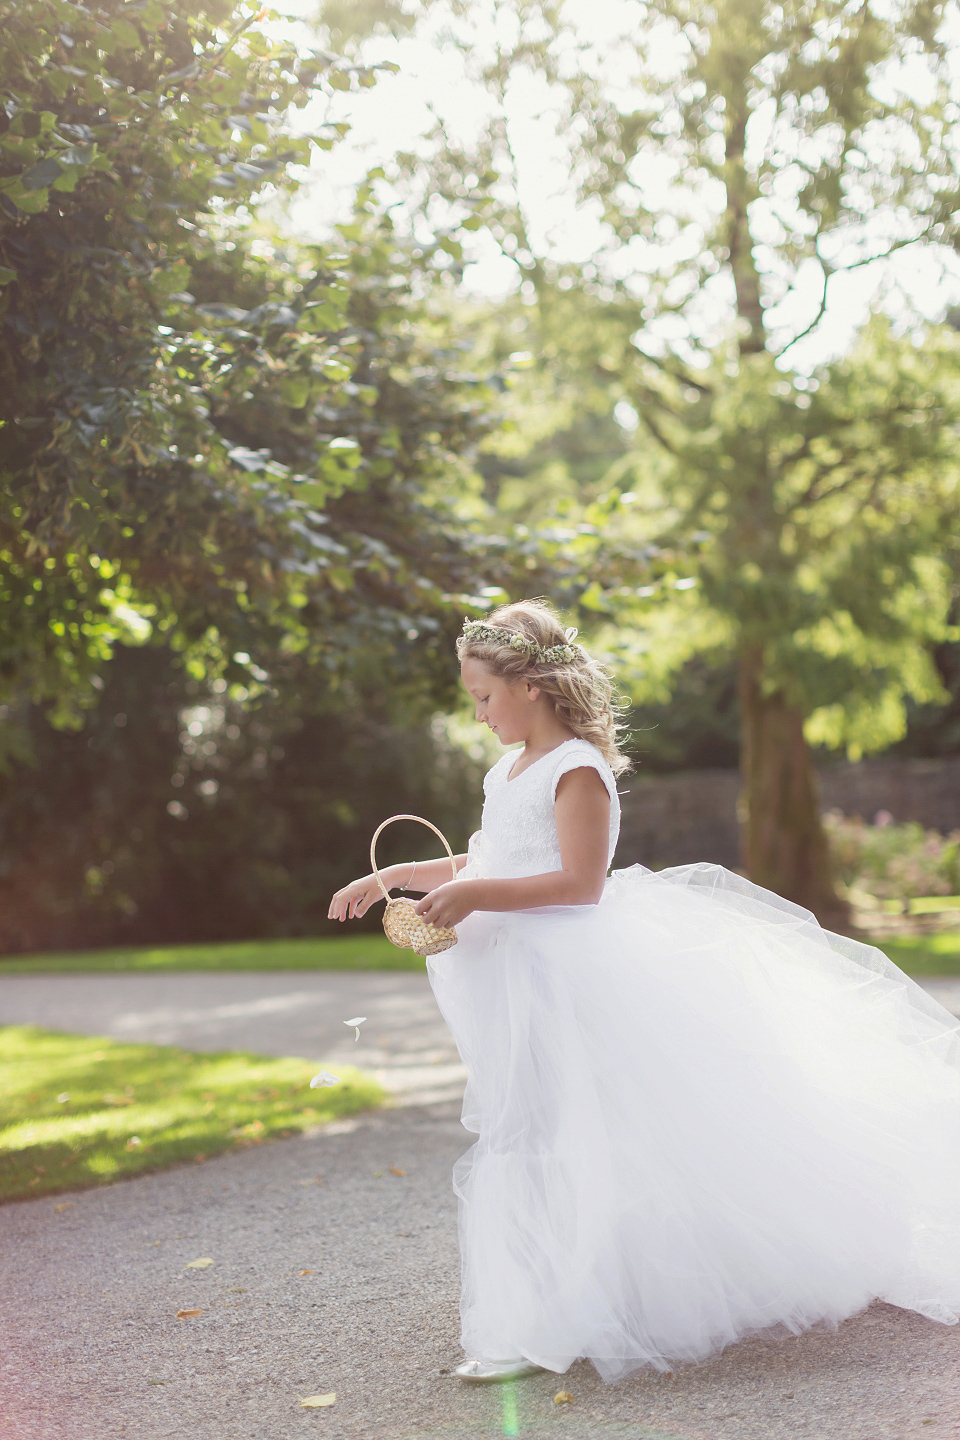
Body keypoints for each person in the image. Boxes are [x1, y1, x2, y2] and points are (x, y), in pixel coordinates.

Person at [328, 598, 960, 1386]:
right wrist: (397, 875)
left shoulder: (576, 768)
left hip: (572, 974)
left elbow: (579, 883)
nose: (479, 712)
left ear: (529, 687)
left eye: (484, 696)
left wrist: (480, 897)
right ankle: (540, 1310)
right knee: (527, 1127)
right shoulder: (508, 768)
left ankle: (565, 1314)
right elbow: (488, 856)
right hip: (512, 978)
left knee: (585, 1131)